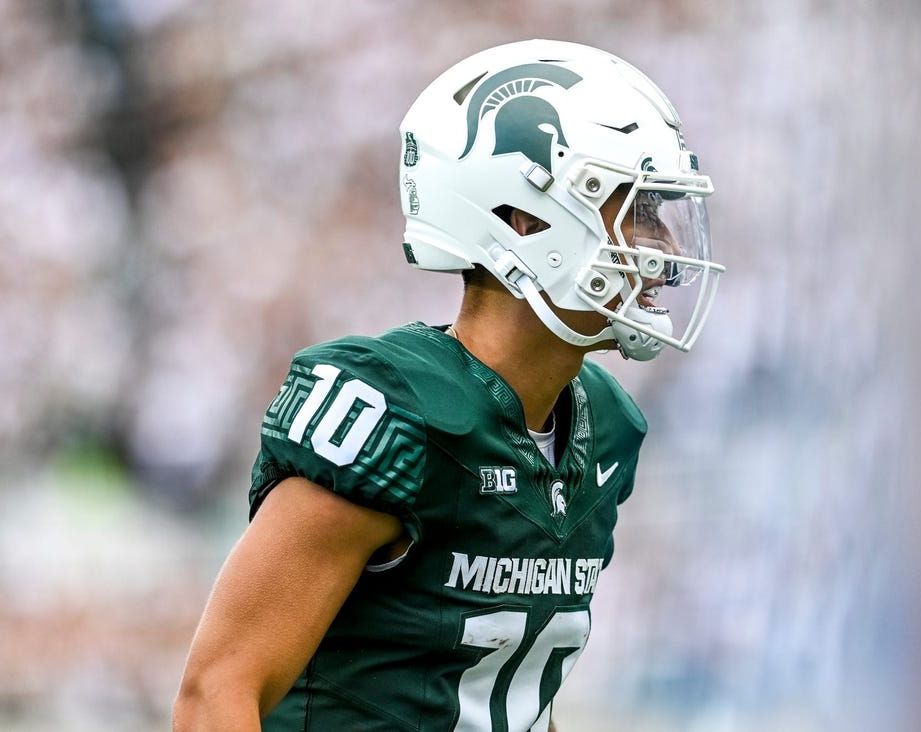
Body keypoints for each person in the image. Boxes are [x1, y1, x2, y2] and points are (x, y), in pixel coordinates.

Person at [173, 39, 725, 731]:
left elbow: (518, 692)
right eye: (635, 210)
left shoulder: (604, 425)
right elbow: (216, 692)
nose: (663, 248)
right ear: (522, 219)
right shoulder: (394, 412)